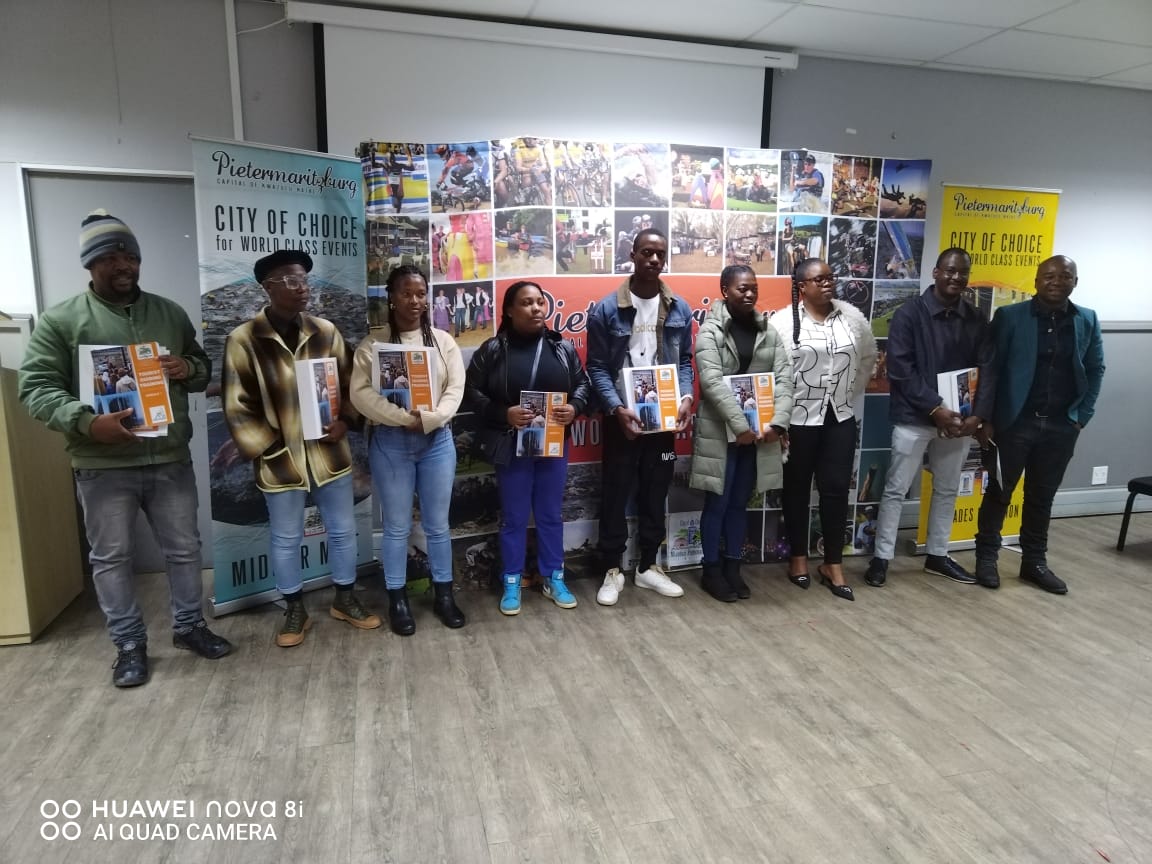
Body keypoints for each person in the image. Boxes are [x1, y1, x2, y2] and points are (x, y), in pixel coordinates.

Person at [18, 209, 231, 687]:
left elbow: (200, 367)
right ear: (90, 264)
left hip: (169, 458)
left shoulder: (169, 313)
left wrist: (186, 369)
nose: (123, 266)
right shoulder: (61, 321)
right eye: (110, 258)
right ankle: (130, 644)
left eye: (130, 257)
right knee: (112, 558)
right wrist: (88, 423)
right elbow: (35, 388)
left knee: (184, 550)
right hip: (102, 465)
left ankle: (189, 627)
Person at [222, 249, 382, 647]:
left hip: (329, 453)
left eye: (305, 280)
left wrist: (346, 421)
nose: (302, 288)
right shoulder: (244, 340)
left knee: (342, 530)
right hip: (280, 459)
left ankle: (345, 598)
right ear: (268, 287)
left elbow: (352, 385)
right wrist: (270, 445)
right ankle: (294, 608)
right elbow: (237, 405)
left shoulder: (325, 332)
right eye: (291, 281)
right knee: (286, 536)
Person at [863, 248, 996, 588]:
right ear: (936, 272)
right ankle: (882, 558)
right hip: (915, 417)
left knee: (947, 488)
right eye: (950, 270)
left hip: (959, 422)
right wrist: (935, 409)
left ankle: (937, 555)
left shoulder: (976, 318)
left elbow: (988, 368)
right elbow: (901, 369)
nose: (956, 277)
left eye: (962, 272)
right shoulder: (909, 314)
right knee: (896, 489)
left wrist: (978, 416)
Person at [973, 255, 1104, 594]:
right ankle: (986, 558)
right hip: (1013, 424)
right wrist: (987, 419)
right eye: (1049, 275)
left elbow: (1095, 369)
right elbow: (991, 369)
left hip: (1061, 426)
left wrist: (1082, 416)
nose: (1057, 281)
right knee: (999, 492)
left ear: (1075, 281)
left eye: (1065, 276)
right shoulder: (1010, 317)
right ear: (1036, 280)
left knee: (1041, 497)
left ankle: (1034, 563)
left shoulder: (1087, 319)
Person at [351, 265, 467, 634]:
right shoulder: (373, 346)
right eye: (406, 293)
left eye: (420, 293)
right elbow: (360, 395)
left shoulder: (443, 342)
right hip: (391, 443)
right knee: (397, 527)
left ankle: (444, 594)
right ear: (391, 297)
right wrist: (403, 419)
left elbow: (455, 390)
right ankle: (397, 599)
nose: (415, 301)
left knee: (438, 525)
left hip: (437, 442)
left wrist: (431, 419)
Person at [465, 281, 591, 615]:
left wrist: (575, 407)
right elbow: (470, 392)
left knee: (550, 514)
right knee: (514, 517)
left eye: (540, 302)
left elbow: (583, 385)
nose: (536, 308)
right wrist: (502, 413)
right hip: (512, 445)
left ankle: (553, 577)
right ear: (509, 310)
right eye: (526, 302)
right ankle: (512, 580)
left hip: (553, 444)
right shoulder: (493, 349)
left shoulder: (561, 348)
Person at [587, 229, 695, 605]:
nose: (653, 259)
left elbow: (685, 361)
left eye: (659, 253)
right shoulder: (606, 309)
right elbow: (597, 367)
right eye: (646, 252)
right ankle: (612, 569)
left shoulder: (679, 308)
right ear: (632, 254)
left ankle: (648, 566)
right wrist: (616, 408)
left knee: (656, 490)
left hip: (662, 419)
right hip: (623, 417)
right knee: (616, 492)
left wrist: (685, 396)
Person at [771, 258, 877, 601]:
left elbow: (867, 358)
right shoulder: (783, 322)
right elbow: (773, 370)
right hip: (798, 419)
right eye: (819, 279)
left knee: (836, 490)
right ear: (802, 287)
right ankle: (798, 558)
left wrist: (848, 392)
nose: (828, 283)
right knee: (797, 491)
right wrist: (779, 415)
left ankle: (833, 563)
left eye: (830, 277)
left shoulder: (851, 318)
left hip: (839, 418)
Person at [691, 265, 794, 601]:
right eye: (742, 288)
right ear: (725, 291)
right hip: (721, 434)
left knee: (739, 503)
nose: (749, 294)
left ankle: (733, 567)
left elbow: (784, 379)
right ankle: (711, 571)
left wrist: (777, 423)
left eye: (753, 288)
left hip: (758, 436)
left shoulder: (769, 331)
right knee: (718, 503)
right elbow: (711, 383)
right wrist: (741, 427)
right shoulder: (710, 332)